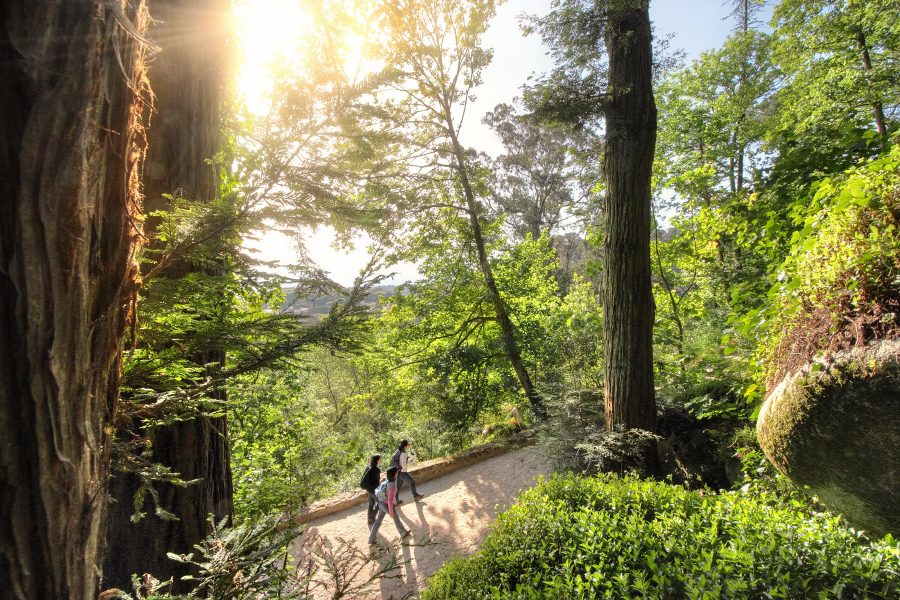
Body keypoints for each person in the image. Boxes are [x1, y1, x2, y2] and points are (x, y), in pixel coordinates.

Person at [368, 466, 410, 545]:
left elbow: (388, 495)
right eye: (396, 472)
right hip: (386, 505)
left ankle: (371, 539)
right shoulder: (393, 486)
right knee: (396, 518)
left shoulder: (387, 481)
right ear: (394, 474)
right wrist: (391, 512)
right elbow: (390, 500)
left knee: (378, 521)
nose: (397, 473)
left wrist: (394, 500)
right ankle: (403, 533)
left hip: (381, 503)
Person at [360, 454, 382, 526]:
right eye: (380, 459)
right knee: (380, 503)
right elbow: (376, 482)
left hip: (368, 489)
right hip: (373, 490)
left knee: (371, 503)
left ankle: (370, 519)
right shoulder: (375, 470)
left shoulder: (369, 467)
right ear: (377, 460)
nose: (381, 460)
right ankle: (371, 517)